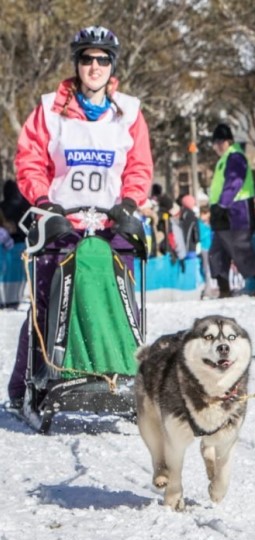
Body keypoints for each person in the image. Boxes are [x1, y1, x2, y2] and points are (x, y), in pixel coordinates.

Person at [7, 25, 153, 408]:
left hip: (110, 223)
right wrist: (44, 201)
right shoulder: (49, 110)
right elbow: (29, 161)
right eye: (87, 58)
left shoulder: (129, 113)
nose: (95, 66)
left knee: (120, 299)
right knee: (46, 305)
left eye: (102, 59)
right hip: (61, 223)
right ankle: (26, 386)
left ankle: (120, 375)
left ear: (112, 65)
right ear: (77, 63)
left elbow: (139, 167)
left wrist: (130, 202)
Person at [208, 123, 255, 297]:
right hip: (222, 214)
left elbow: (235, 182)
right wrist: (216, 208)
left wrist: (222, 204)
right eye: (215, 143)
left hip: (236, 213)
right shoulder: (224, 159)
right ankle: (224, 292)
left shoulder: (235, 157)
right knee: (217, 253)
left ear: (227, 141)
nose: (216, 147)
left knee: (242, 253)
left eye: (219, 142)